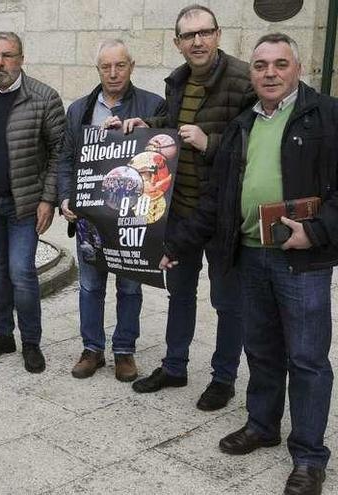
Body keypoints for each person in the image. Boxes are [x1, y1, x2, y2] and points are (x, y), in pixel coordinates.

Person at [161, 32, 338, 495]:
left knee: (306, 358)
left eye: (280, 64)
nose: (270, 73)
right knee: (260, 351)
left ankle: (308, 456)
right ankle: (262, 425)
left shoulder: (328, 116)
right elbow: (216, 201)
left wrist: (315, 231)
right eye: (261, 66)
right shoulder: (242, 125)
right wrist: (174, 243)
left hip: (302, 259)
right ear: (252, 72)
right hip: (249, 255)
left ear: (298, 69)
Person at [120, 4, 255, 410]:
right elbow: (169, 125)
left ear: (217, 35)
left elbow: (256, 145)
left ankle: (223, 377)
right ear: (178, 43)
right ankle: (175, 366)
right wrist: (147, 127)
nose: (197, 41)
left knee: (227, 301)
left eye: (204, 33)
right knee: (180, 292)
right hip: (181, 211)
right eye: (188, 35)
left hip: (224, 215)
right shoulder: (177, 82)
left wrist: (209, 142)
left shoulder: (243, 79)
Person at [57, 39, 166, 382]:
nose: (114, 73)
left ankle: (124, 351)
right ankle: (92, 349)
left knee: (130, 287)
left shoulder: (152, 104)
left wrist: (146, 127)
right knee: (90, 286)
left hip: (132, 217)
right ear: (98, 70)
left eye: (120, 65)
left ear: (131, 66)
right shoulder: (79, 110)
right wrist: (65, 198)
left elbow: (166, 153)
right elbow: (64, 158)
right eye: (106, 66)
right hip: (91, 218)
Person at [0, 31, 65, 373]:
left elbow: (58, 153)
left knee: (22, 272)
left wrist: (48, 198)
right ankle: (2, 334)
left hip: (24, 204)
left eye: (7, 55)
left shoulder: (44, 98)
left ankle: (31, 342)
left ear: (21, 58)